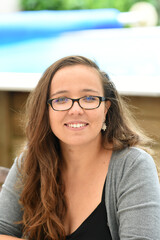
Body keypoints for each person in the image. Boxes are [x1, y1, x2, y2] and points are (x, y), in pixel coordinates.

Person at [0, 55, 160, 240]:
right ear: (46, 111)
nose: (76, 109)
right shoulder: (30, 162)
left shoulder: (132, 166)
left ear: (106, 108)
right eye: (61, 100)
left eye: (89, 98)